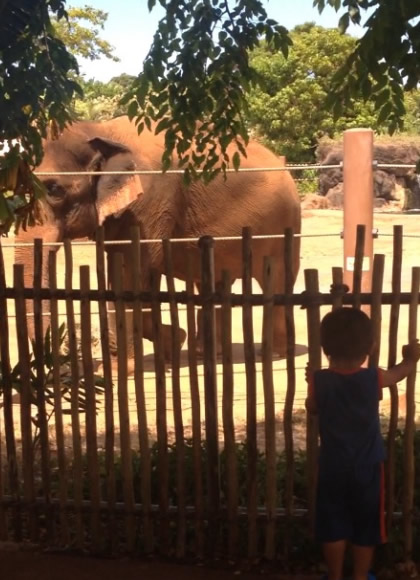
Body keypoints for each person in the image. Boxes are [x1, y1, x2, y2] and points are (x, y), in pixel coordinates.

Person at [305, 306, 420, 580]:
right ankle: (359, 576)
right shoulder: (373, 377)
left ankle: (334, 576)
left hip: (332, 466)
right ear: (370, 346)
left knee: (332, 523)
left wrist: (313, 380)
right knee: (366, 525)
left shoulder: (320, 380)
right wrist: (411, 359)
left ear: (325, 347)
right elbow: (399, 374)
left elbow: (312, 408)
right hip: (368, 467)